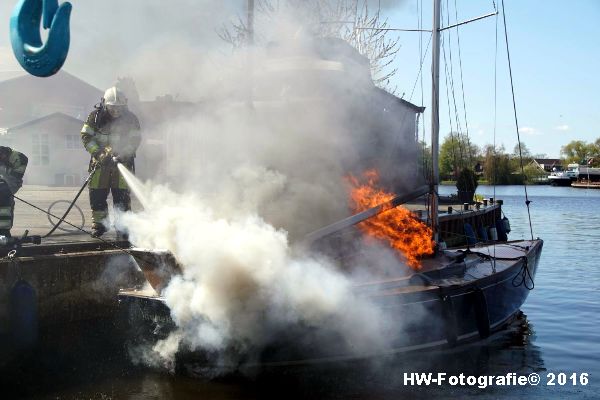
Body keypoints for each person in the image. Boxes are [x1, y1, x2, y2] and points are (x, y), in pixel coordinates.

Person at [81, 86, 141, 238]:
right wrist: (98, 153)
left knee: (121, 197)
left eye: (119, 107)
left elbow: (135, 140)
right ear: (104, 104)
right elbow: (86, 137)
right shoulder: (95, 117)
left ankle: (123, 226)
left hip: (122, 164)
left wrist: (124, 154)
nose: (115, 111)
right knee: (97, 195)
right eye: (112, 107)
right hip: (100, 165)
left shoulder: (131, 119)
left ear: (124, 105)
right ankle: (100, 225)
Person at [0, 146, 28, 237]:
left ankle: (4, 232)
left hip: (10, 185)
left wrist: (7, 188)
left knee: (5, 205)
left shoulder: (18, 158)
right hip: (4, 184)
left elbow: (16, 177)